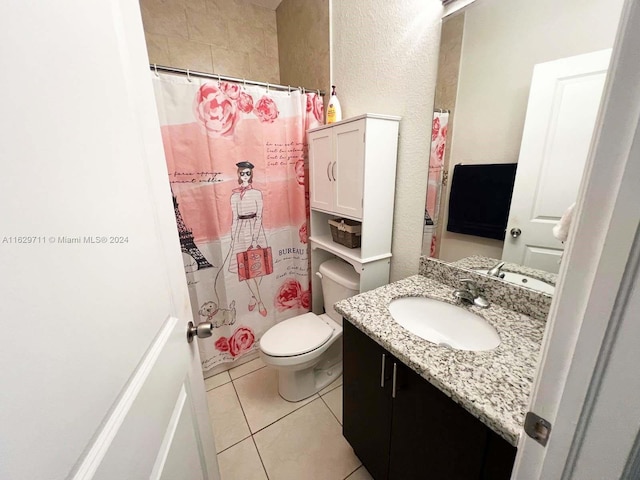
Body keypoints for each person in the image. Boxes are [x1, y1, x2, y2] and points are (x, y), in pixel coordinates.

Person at [228, 161, 268, 316]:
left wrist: (254, 238)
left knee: (259, 268)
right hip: (240, 231)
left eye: (248, 173)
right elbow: (234, 219)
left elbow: (259, 216)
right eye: (242, 173)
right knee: (245, 270)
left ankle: (253, 297)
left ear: (251, 175)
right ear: (238, 174)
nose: (245, 176)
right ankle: (260, 302)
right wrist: (232, 237)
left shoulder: (257, 193)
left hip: (255, 230)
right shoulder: (234, 196)